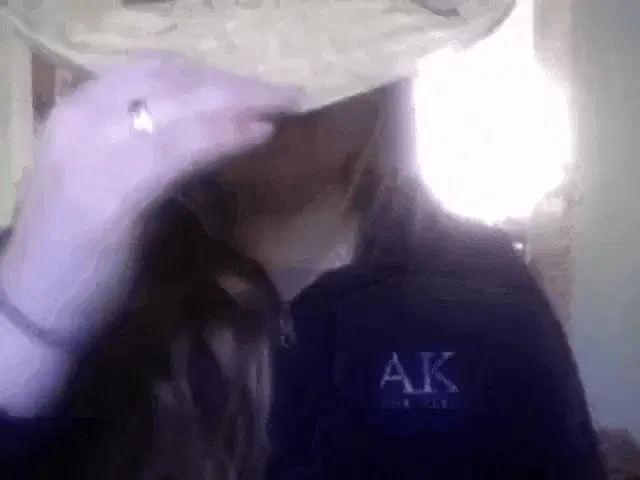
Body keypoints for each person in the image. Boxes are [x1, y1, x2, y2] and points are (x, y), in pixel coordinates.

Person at [0, 3, 605, 480]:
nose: (278, 77)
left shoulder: (489, 288)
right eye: (239, 42)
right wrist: (32, 318)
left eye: (316, 41)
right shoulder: (45, 276)